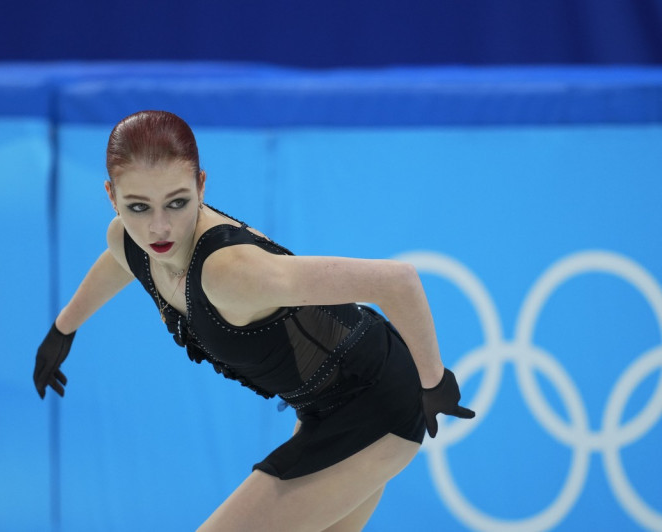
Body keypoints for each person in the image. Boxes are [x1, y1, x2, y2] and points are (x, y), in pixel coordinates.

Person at [33, 110, 474, 532]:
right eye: (138, 207)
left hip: (379, 404)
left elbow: (397, 282)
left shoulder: (231, 273)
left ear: (201, 185)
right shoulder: (128, 241)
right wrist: (63, 328)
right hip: (325, 405)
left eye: (177, 202)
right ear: (111, 196)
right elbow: (119, 262)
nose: (158, 229)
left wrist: (434, 383)